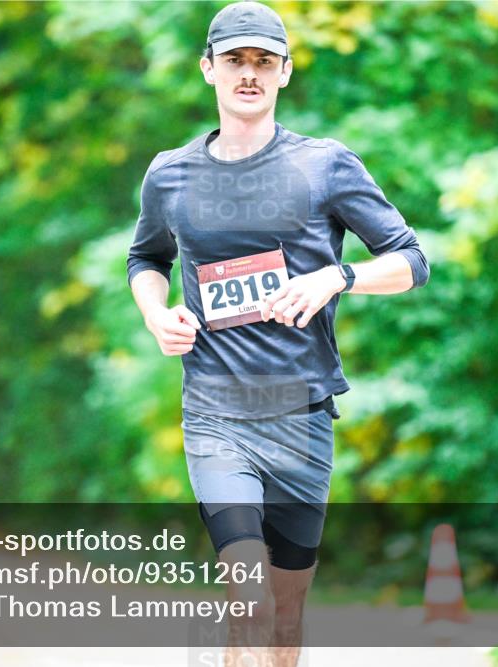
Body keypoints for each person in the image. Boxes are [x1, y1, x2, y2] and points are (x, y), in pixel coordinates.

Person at [126, 3, 429, 665]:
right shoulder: (170, 174)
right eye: (235, 59)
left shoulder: (324, 165)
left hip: (302, 416)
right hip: (215, 414)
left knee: (286, 615)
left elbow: (412, 260)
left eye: (264, 61)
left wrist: (337, 277)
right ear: (208, 68)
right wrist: (157, 315)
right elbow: (146, 258)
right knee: (250, 597)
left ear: (286, 72)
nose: (249, 74)